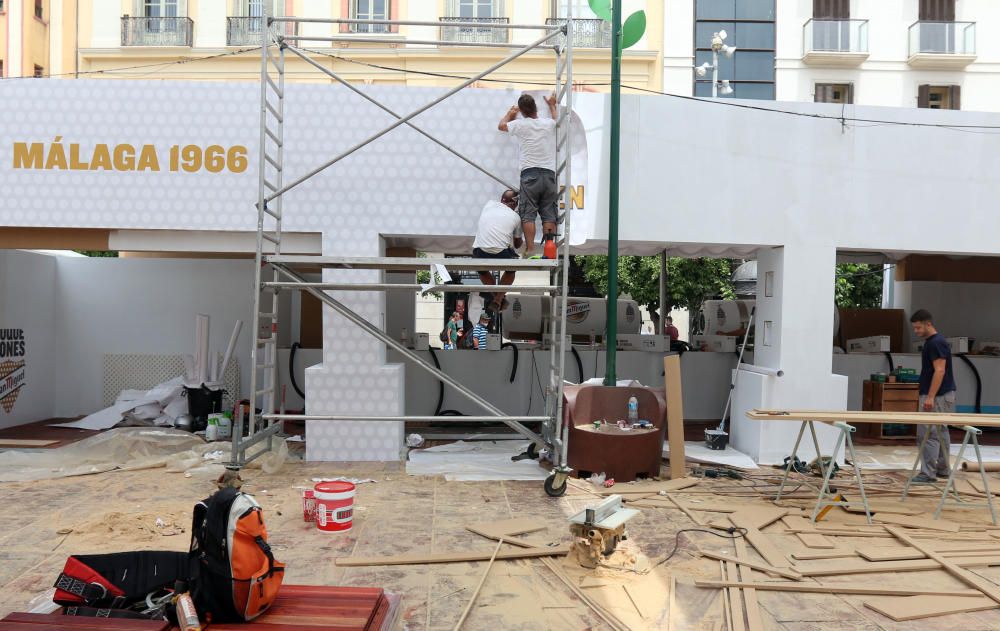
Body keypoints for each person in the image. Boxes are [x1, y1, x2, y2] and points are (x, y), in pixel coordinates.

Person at [498, 93, 559, 257]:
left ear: (523, 112)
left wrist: (510, 114)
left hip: (529, 174)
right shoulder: (547, 124)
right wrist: (552, 105)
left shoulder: (520, 124)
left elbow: (502, 126)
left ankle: (530, 249)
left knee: (528, 214)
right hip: (548, 174)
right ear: (536, 108)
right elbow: (556, 119)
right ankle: (549, 250)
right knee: (548, 212)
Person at [910, 309, 957, 484]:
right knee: (940, 430)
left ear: (928, 324)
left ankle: (927, 473)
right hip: (944, 394)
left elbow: (940, 370)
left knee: (927, 433)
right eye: (914, 328)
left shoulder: (936, 343)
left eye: (918, 328)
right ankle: (943, 468)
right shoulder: (935, 342)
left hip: (937, 395)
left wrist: (930, 397)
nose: (916, 331)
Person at [472, 190, 523, 314]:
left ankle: (497, 299)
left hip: (480, 250)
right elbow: (517, 244)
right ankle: (498, 299)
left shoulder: (489, 204)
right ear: (513, 203)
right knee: (511, 270)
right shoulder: (516, 217)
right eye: (516, 203)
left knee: (483, 272)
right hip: (501, 252)